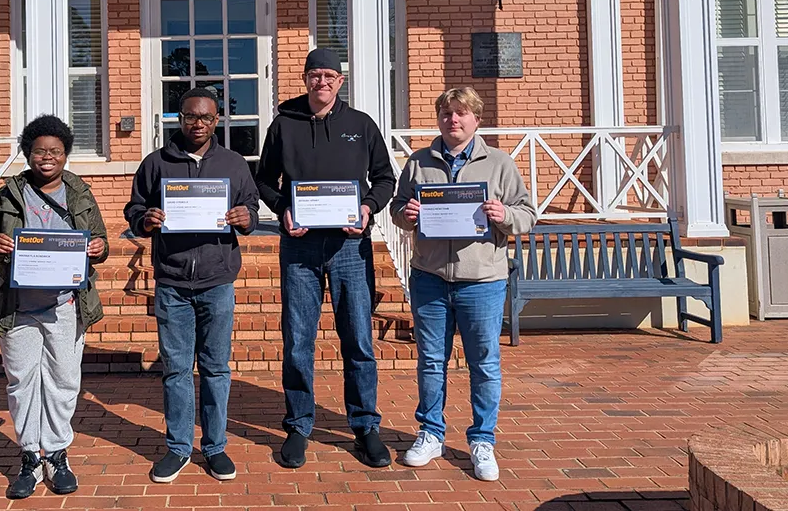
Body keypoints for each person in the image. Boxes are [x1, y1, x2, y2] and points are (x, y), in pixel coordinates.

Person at [254, 47, 397, 469]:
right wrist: (283, 208)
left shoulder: (361, 125)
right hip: (300, 247)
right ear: (305, 79)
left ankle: (365, 425)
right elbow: (264, 180)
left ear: (340, 81)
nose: (322, 82)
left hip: (350, 246)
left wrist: (368, 207)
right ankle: (299, 425)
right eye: (315, 75)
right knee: (298, 340)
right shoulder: (284, 124)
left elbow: (384, 178)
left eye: (329, 76)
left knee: (358, 339)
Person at [388, 87, 536, 482]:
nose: (453, 120)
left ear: (476, 119)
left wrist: (505, 215)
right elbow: (398, 207)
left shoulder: (500, 163)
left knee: (484, 363)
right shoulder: (419, 162)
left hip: (481, 281)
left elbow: (527, 214)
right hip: (430, 277)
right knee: (431, 360)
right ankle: (431, 433)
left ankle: (482, 440)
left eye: (461, 113)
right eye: (446, 113)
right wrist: (407, 213)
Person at [124, 86, 261, 483]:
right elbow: (134, 209)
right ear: (178, 118)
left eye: (206, 117)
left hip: (217, 280)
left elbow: (252, 207)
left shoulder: (233, 163)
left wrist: (246, 218)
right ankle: (179, 447)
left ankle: (215, 446)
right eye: (190, 116)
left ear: (217, 120)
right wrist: (144, 220)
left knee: (216, 368)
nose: (197, 123)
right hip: (172, 281)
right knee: (177, 369)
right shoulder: (156, 163)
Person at [0, 114, 109, 499]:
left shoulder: (80, 193)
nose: (47, 157)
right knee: (22, 382)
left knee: (64, 380)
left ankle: (57, 452)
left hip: (66, 304)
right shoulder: (8, 194)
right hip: (18, 307)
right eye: (39, 151)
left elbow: (99, 241)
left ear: (66, 155)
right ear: (27, 153)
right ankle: (30, 455)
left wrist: (99, 248)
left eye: (56, 151)